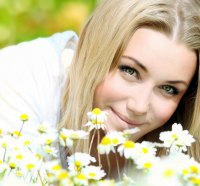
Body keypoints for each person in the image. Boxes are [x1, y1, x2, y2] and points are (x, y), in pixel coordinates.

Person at [0, 0, 199, 178]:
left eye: (168, 89)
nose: (139, 106)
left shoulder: (178, 153)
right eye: (129, 71)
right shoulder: (18, 78)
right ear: (95, 50)